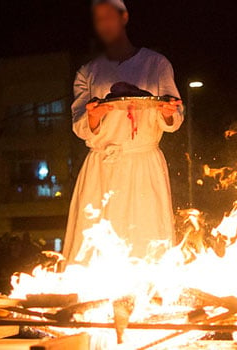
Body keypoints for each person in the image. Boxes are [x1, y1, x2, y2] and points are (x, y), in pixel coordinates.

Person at [63, 0, 183, 262]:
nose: (104, 23)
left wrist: (168, 112)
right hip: (102, 166)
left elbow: (174, 116)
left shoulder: (156, 63)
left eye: (109, 16)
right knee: (95, 243)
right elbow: (80, 126)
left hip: (144, 162)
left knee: (147, 236)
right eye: (98, 18)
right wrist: (93, 116)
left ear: (124, 17)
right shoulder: (88, 71)